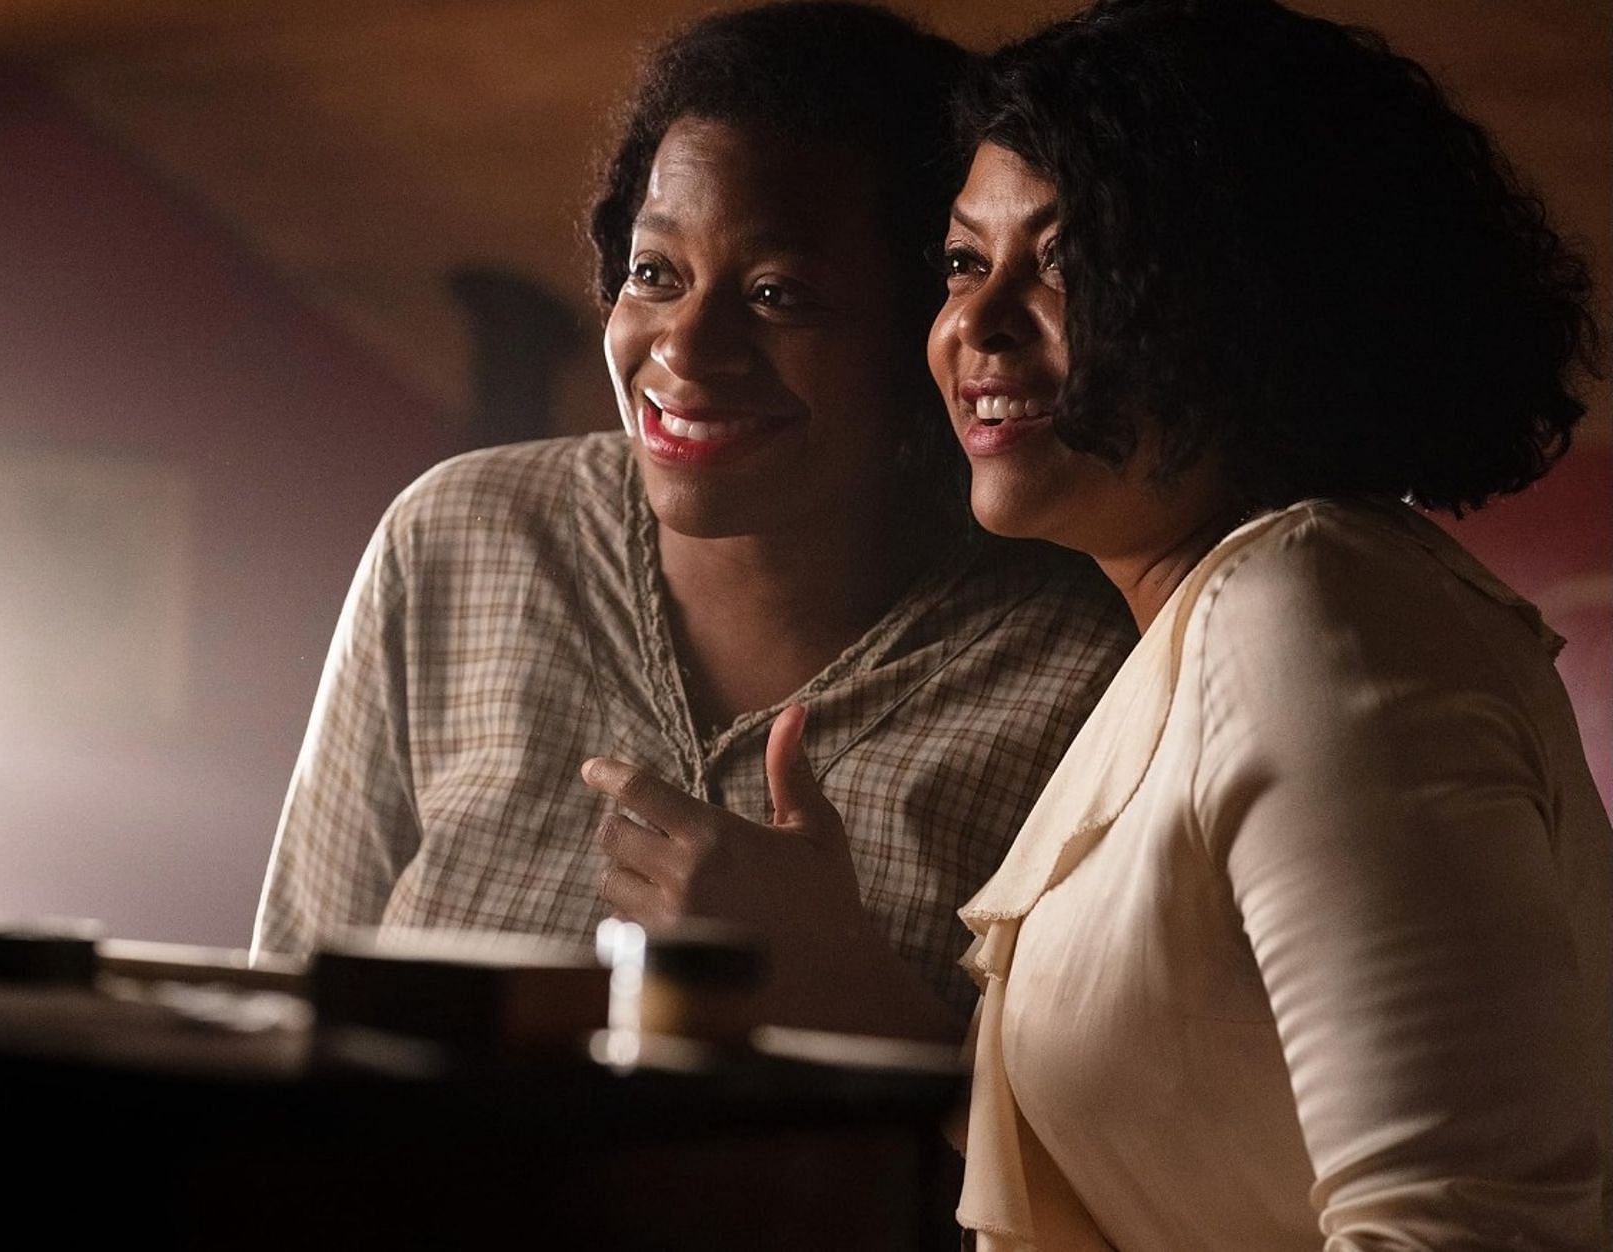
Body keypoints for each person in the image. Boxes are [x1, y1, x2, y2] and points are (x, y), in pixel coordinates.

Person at [589, 0, 1609, 1242]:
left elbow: (1465, 1226)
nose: (978, 324)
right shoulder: (1188, 634)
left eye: (1069, 262)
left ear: (1260, 298)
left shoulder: (1311, 612)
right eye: (967, 263)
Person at [251, 0, 1136, 1036]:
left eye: (778, 294)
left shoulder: (1077, 665)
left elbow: (1089, 1165)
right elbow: (286, 1010)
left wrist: (845, 981)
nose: (685, 347)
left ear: (923, 328)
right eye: (656, 273)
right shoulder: (457, 540)